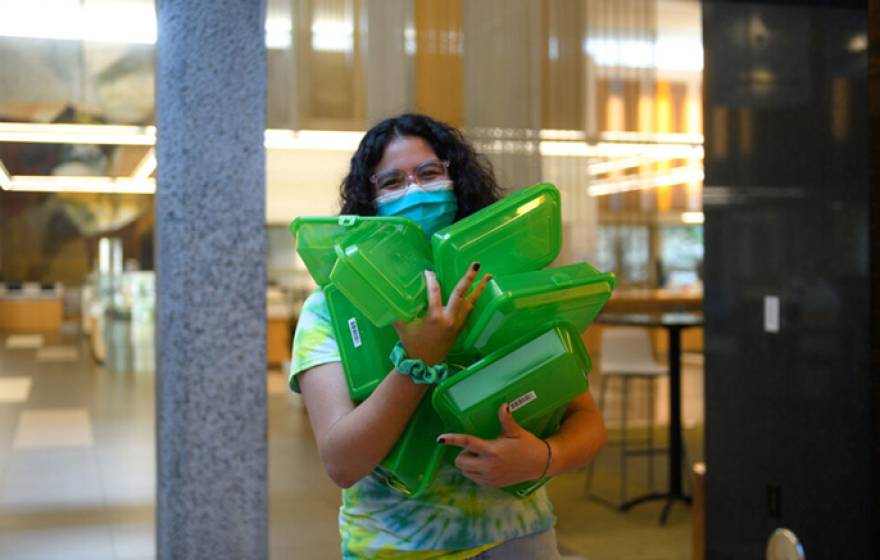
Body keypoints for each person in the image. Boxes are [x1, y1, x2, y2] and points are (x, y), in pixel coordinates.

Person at [290, 113, 606, 559]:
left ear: (457, 181)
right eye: (392, 182)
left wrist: (544, 458)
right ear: (370, 200)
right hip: (395, 548)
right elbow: (342, 462)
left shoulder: (510, 283)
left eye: (430, 173)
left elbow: (586, 421)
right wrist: (417, 362)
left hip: (520, 540)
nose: (415, 192)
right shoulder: (332, 308)